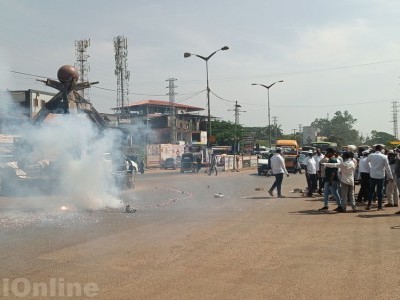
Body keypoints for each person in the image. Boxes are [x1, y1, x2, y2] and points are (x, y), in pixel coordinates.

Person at [366, 144, 393, 211]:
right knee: (380, 192)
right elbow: (387, 167)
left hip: (373, 175)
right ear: (381, 149)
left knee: (371, 191)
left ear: (375, 149)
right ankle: (379, 206)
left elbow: (366, 162)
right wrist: (390, 176)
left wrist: (371, 168)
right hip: (381, 176)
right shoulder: (384, 156)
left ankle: (369, 205)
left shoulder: (371, 155)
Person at [319, 147, 344, 212]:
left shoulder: (333, 160)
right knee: (326, 192)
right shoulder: (330, 159)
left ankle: (340, 206)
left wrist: (330, 180)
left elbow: (333, 172)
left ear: (331, 153)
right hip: (328, 179)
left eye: (327, 152)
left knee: (334, 193)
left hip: (332, 180)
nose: (326, 153)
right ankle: (326, 205)